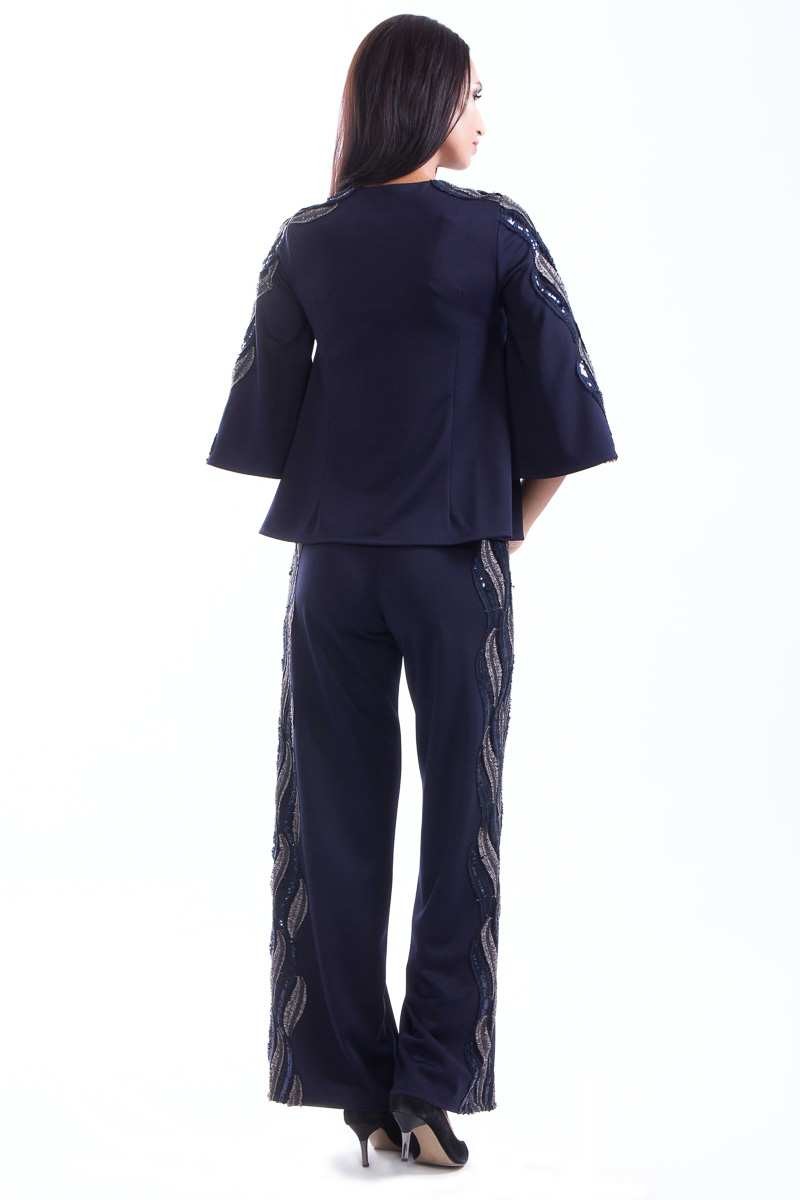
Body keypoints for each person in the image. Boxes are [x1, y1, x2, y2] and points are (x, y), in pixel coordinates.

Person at [206, 14, 618, 1170]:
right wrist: (500, 532)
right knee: (459, 822)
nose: (482, 116)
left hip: (329, 566)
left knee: (328, 822)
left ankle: (360, 1087)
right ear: (430, 101)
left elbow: (263, 418)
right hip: (453, 561)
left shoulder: (305, 239)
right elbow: (564, 418)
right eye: (473, 94)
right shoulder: (495, 231)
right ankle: (430, 1084)